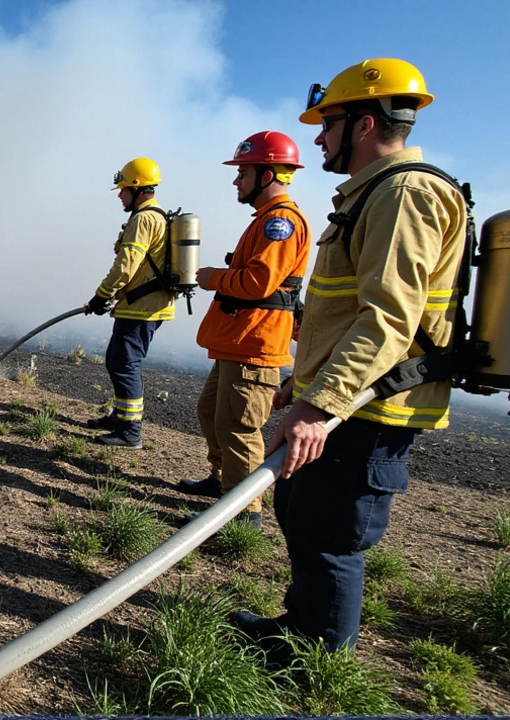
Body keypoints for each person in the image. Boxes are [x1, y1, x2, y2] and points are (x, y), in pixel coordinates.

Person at [232, 59, 466, 655]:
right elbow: (346, 311)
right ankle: (302, 628)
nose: (316, 138)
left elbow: (388, 317)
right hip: (347, 400)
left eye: (326, 124)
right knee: (304, 517)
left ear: (363, 124)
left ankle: (313, 659)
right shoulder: (377, 194)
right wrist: (304, 385)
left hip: (369, 405)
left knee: (329, 536)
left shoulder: (404, 194)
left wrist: (320, 403)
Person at [178, 132, 311, 529]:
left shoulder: (281, 223)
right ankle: (223, 485)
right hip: (239, 341)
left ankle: (243, 514)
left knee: (239, 428)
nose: (236, 181)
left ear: (267, 174)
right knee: (211, 414)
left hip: (255, 345)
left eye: (243, 173)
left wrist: (213, 277)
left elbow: (258, 283)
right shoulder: (267, 221)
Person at [83, 158, 177, 448]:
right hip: (139, 304)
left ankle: (130, 432)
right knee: (116, 360)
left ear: (138, 189)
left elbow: (127, 265)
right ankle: (119, 416)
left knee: (125, 365)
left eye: (123, 190)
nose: (120, 195)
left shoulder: (144, 218)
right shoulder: (150, 216)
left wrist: (101, 295)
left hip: (143, 308)